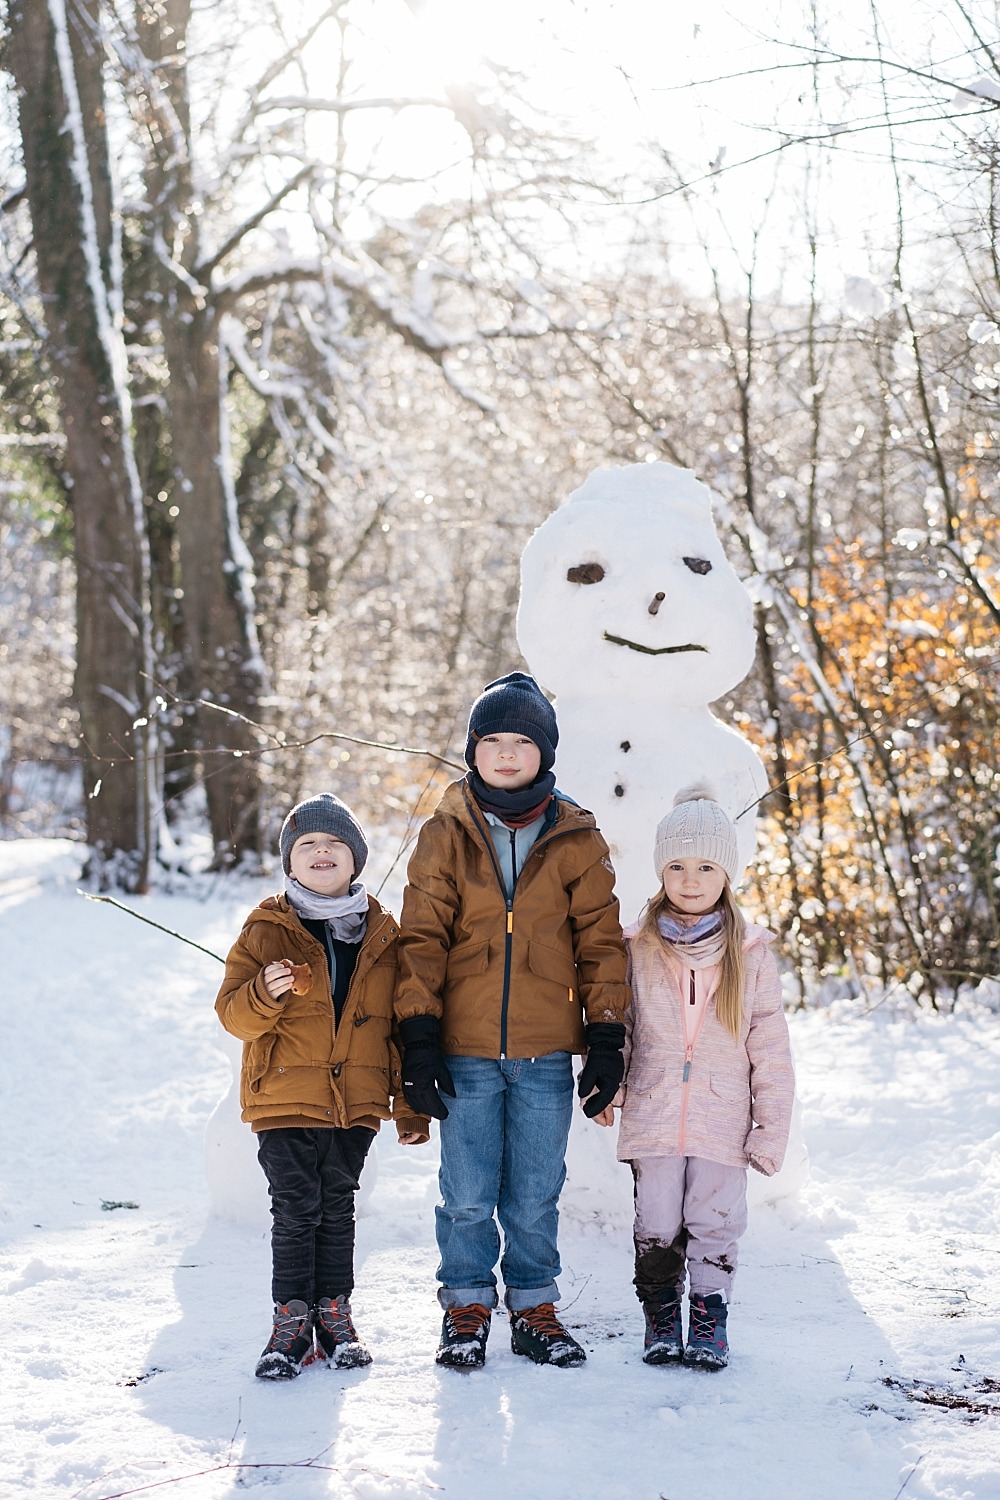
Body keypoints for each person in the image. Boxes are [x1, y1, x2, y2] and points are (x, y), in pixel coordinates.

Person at [394, 671, 630, 1370]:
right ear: (472, 750)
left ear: (544, 752)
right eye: (490, 740)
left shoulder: (576, 836)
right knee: (466, 1193)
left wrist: (607, 1035)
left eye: (519, 741)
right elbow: (420, 938)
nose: (503, 754)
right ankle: (465, 1304)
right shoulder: (446, 832)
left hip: (545, 1054)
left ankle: (534, 1307)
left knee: (533, 1193)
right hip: (462, 1050)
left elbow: (601, 942)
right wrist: (417, 1035)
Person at [216, 793, 428, 1381]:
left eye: (335, 843)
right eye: (307, 844)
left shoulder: (383, 935)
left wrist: (408, 1106)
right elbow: (233, 1014)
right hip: (282, 1096)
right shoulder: (267, 930)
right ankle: (290, 1320)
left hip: (355, 1100)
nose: (321, 852)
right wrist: (264, 991)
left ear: (355, 860)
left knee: (338, 1207)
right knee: (295, 1208)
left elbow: (397, 1028)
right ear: (289, 862)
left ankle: (335, 1313)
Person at [603, 787, 794, 1370]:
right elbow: (623, 1024)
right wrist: (610, 1083)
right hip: (655, 1110)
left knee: (714, 1220)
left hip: (722, 1116)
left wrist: (770, 1130)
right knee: (657, 1220)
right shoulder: (637, 946)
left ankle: (710, 1316)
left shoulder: (751, 953)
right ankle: (661, 1314)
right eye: (678, 866)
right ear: (662, 871)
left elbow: (771, 1050)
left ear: (727, 873)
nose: (691, 879)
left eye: (706, 866)